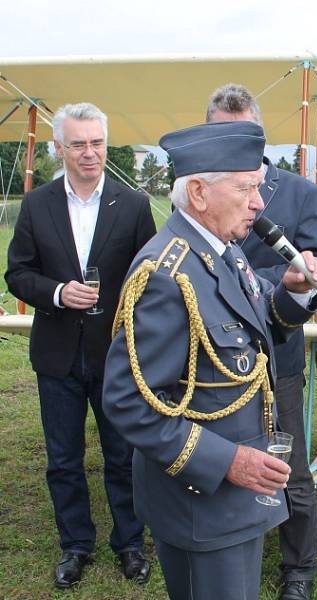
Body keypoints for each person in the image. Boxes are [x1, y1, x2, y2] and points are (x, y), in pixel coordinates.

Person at [102, 120, 317, 600]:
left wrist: (295, 293)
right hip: (201, 505)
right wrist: (227, 461)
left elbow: (256, 318)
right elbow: (127, 400)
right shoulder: (165, 275)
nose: (259, 202)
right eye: (247, 187)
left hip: (234, 501)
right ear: (200, 193)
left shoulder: (221, 250)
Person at [5, 102, 156, 588]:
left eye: (96, 142)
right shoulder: (37, 204)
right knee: (64, 459)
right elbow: (18, 273)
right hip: (57, 356)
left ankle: (130, 544)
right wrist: (56, 293)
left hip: (116, 355)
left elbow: (150, 278)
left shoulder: (132, 205)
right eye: (78, 144)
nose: (89, 153)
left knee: (123, 455)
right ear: (59, 148)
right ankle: (76, 545)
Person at [207, 83, 317, 600]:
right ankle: (226, 550)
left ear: (261, 136)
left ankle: (298, 571)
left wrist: (307, 276)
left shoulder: (302, 194)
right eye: (222, 135)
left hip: (276, 357)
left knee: (290, 467)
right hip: (213, 361)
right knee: (224, 461)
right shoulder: (199, 193)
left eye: (245, 135)